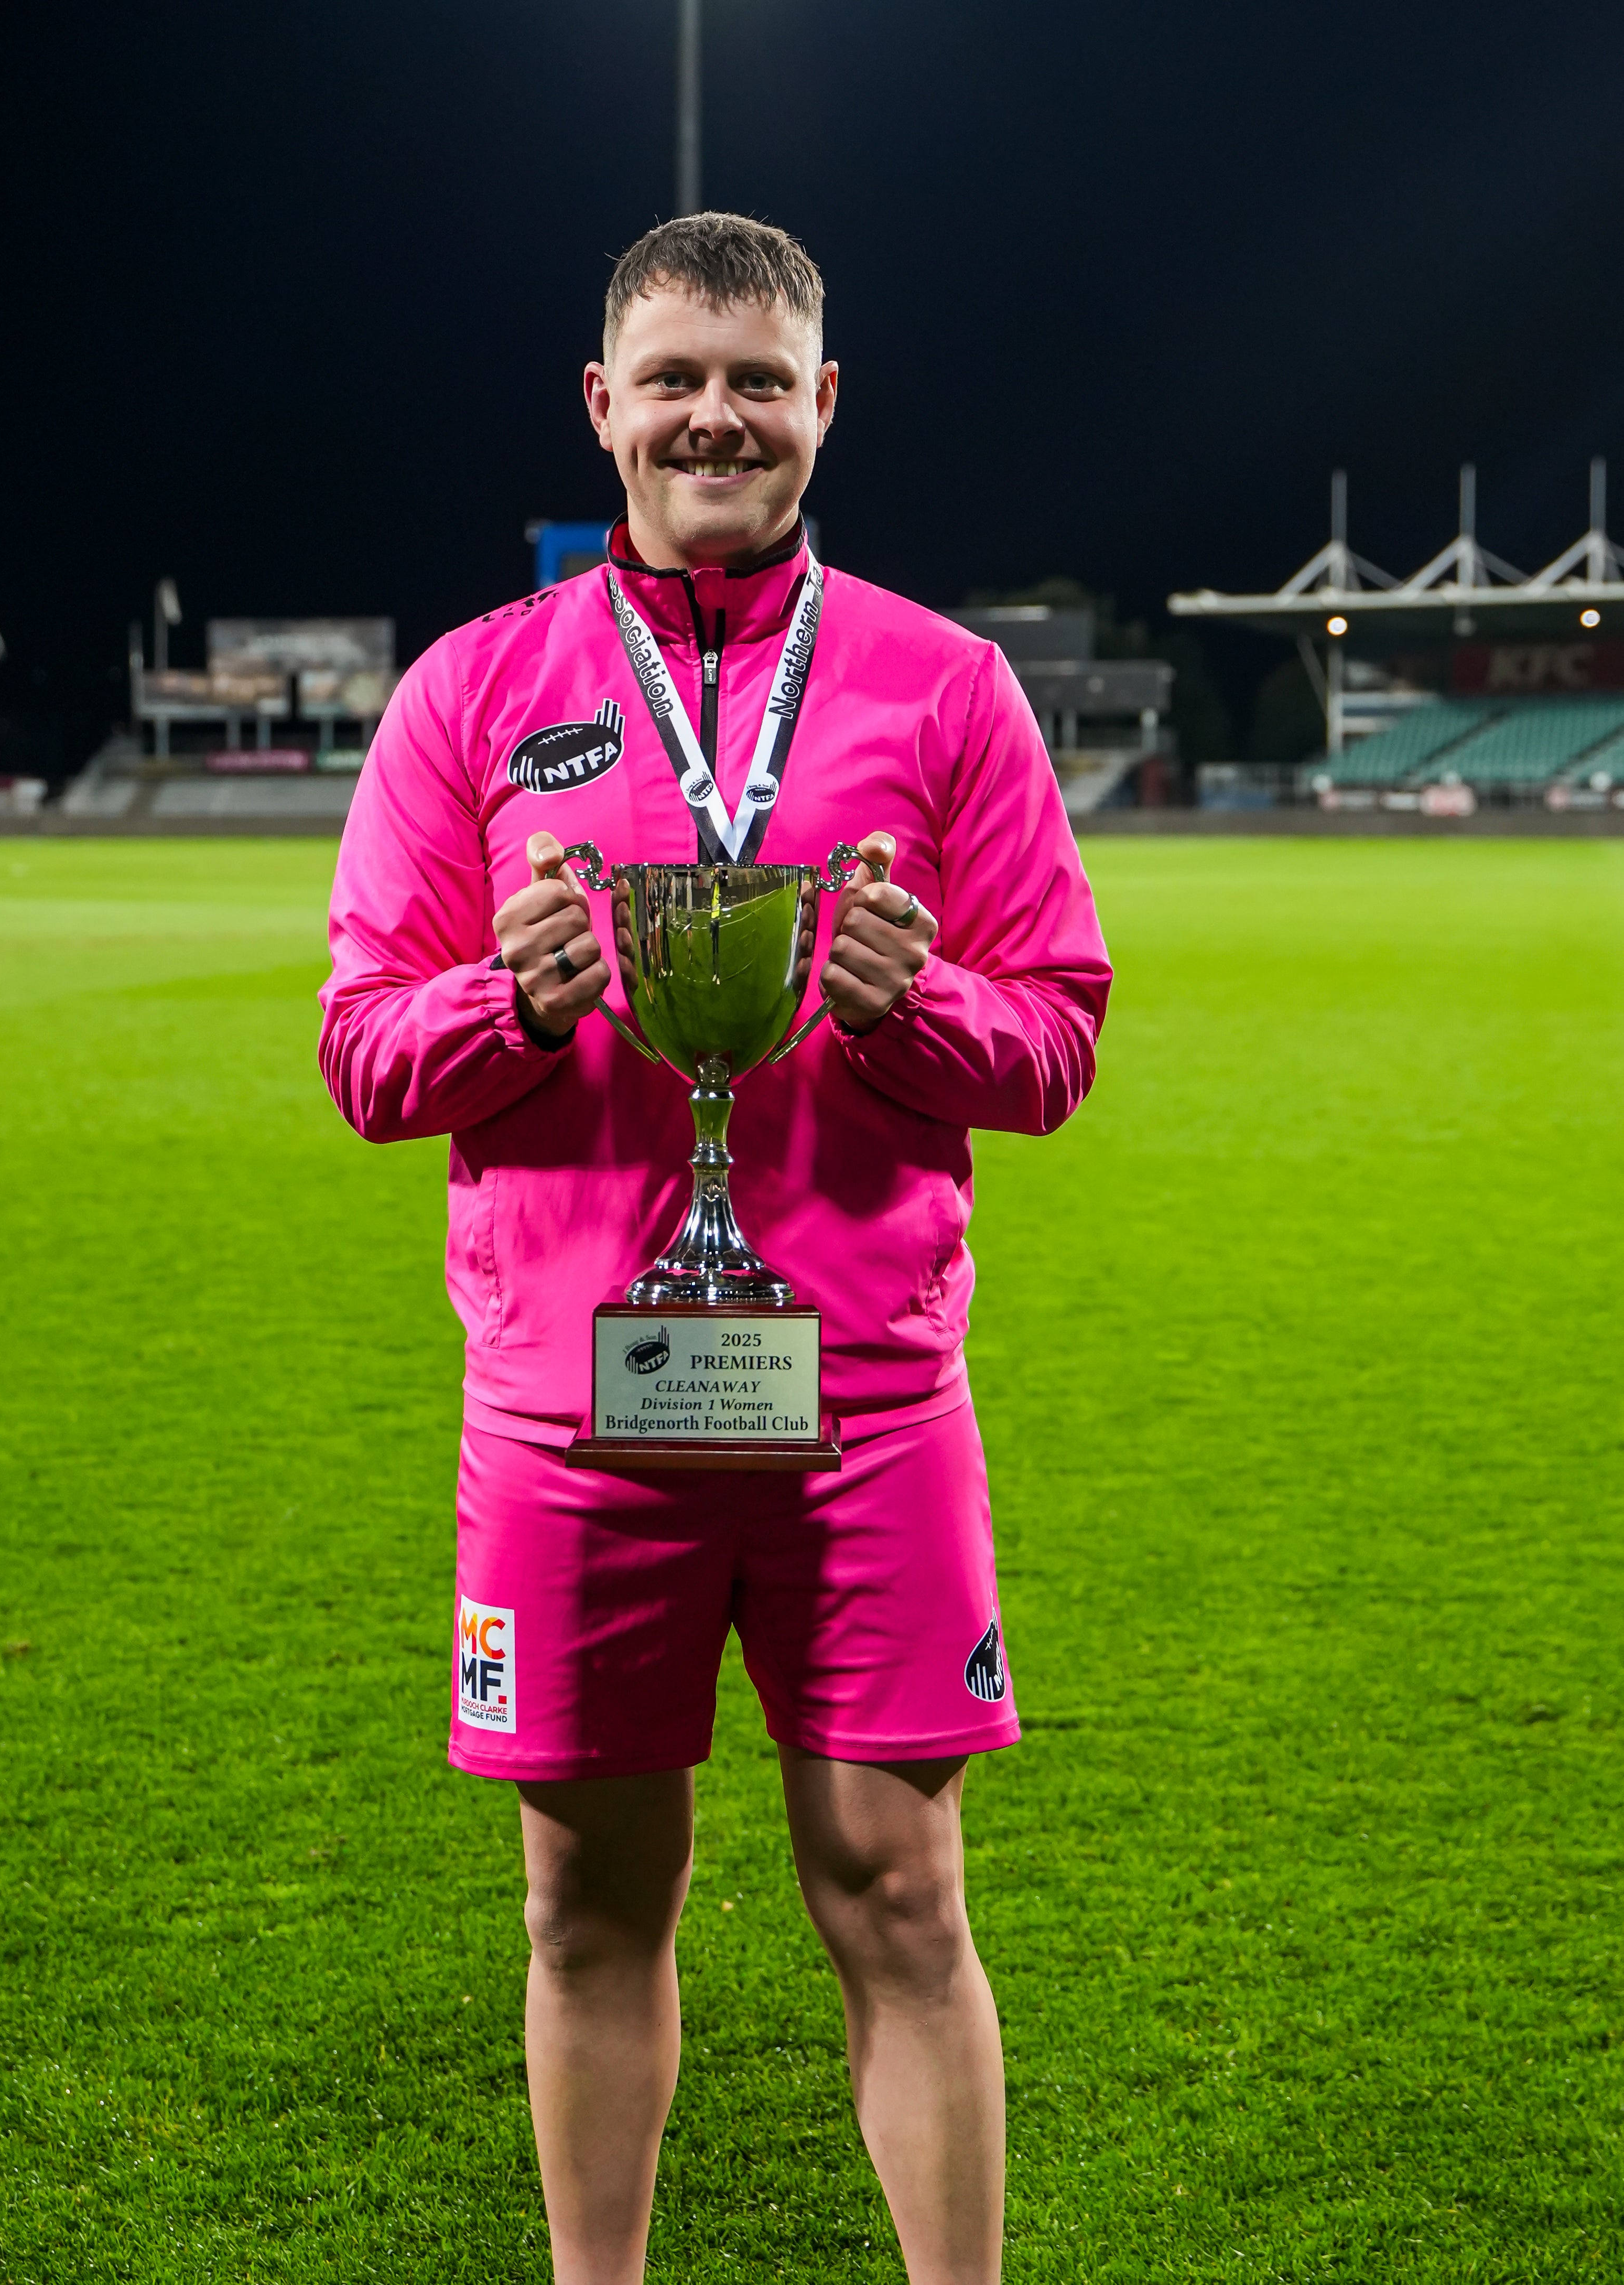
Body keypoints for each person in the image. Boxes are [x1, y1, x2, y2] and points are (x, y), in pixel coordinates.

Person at [319, 211, 1111, 2285]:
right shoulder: (467, 695)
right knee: (587, 1905)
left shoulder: (946, 690)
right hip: (569, 1418)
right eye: (671, 378)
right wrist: (508, 1000)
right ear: (601, 408)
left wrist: (912, 1004)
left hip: (862, 1408)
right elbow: (357, 1051)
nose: (713, 417)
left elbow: (1057, 1037)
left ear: (822, 407)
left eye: (757, 379)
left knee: (899, 1895)